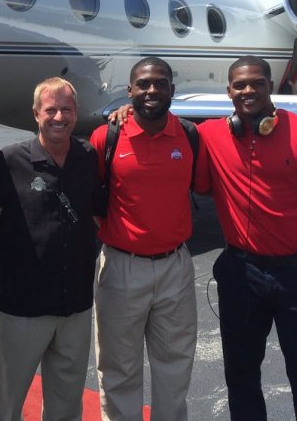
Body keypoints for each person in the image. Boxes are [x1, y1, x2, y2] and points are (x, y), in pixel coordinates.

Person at [194, 56, 297, 421]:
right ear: (228, 91)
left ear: (270, 86)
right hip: (241, 274)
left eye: (257, 83)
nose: (248, 91)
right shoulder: (210, 134)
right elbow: (162, 125)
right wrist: (124, 114)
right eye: (240, 85)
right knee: (241, 375)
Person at [89, 57, 198, 421]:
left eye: (161, 83)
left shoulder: (191, 135)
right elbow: (93, 198)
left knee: (175, 365)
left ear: (172, 90)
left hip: (175, 267)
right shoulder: (107, 136)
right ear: (130, 91)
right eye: (144, 84)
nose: (152, 90)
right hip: (122, 266)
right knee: (118, 369)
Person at [0, 77, 99, 421]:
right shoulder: (10, 161)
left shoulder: (88, 157)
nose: (59, 117)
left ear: (76, 113)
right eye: (50, 109)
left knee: (66, 406)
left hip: (75, 307)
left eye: (66, 109)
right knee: (6, 407)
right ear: (36, 114)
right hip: (22, 309)